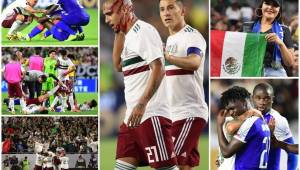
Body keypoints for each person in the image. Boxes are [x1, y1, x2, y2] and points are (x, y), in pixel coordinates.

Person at [103, 0, 178, 169]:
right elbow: (117, 65)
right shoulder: (128, 35)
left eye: (109, 14)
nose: (107, 20)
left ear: (125, 10)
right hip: (132, 119)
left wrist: (142, 104)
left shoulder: (143, 31)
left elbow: (159, 68)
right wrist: (118, 31)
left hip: (151, 115)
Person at [159, 0, 207, 169]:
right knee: (184, 166)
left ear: (183, 11)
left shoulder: (192, 36)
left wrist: (168, 57)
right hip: (174, 114)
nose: (166, 13)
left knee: (168, 163)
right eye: (162, 9)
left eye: (171, 8)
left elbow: (194, 62)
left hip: (189, 112)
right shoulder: (170, 40)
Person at [217, 86, 270, 169]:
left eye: (232, 108)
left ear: (244, 102)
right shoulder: (261, 121)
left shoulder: (250, 122)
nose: (231, 113)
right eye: (228, 110)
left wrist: (219, 125)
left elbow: (226, 152)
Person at [252, 83, 298, 169]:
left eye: (266, 99)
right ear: (252, 98)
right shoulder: (246, 116)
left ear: (272, 99)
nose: (262, 102)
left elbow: (292, 155)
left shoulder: (278, 120)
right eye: (258, 98)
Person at [243, 0, 295, 77]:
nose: (270, 7)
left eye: (275, 5)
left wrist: (280, 43)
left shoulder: (284, 30)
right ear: (261, 6)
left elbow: (289, 63)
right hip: (250, 70)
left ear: (279, 10)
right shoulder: (247, 27)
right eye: (267, 3)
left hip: (275, 72)